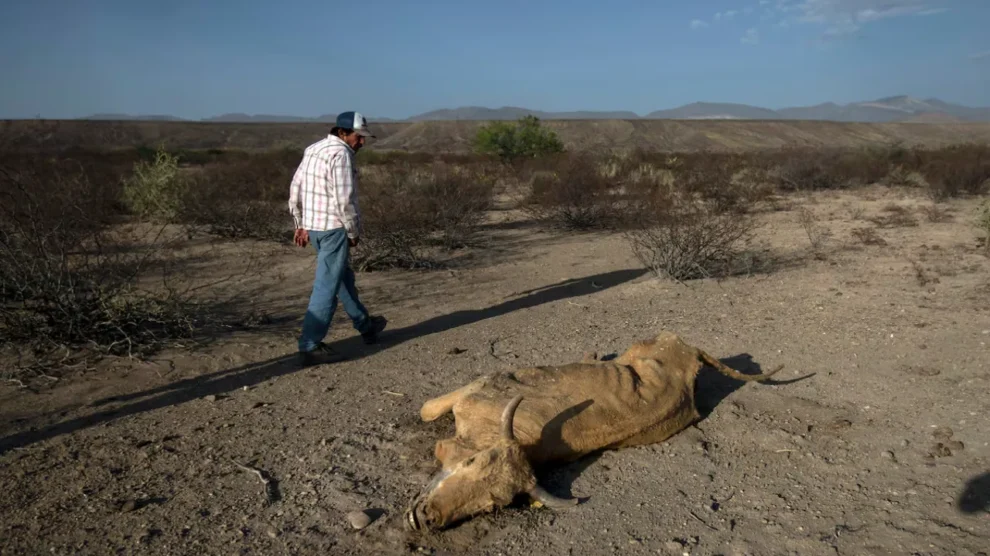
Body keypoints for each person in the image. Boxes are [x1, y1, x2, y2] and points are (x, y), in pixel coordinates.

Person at [288, 111, 387, 367]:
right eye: (358, 137)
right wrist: (353, 232)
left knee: (341, 278)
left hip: (315, 229)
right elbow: (344, 201)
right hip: (334, 229)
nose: (362, 142)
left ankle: (366, 327)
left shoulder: (314, 148)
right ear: (342, 133)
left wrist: (300, 223)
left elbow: (295, 185)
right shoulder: (342, 154)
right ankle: (309, 345)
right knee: (326, 287)